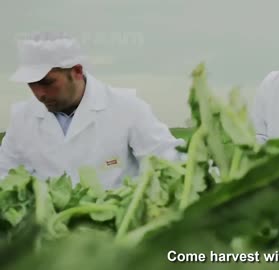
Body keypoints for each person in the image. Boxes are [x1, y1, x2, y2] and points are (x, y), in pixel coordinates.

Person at [0, 32, 184, 189]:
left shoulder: (128, 108)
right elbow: (4, 175)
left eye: (47, 83)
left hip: (119, 225)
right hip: (51, 227)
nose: (39, 94)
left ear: (77, 72)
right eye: (31, 84)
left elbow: (170, 164)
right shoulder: (22, 119)